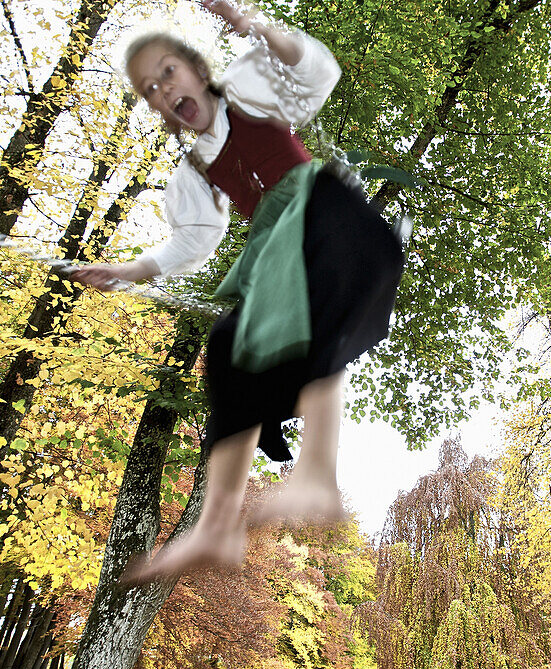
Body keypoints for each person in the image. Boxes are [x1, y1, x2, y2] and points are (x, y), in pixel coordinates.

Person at [71, 0, 403, 584]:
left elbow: (319, 72)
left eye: (169, 71)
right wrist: (123, 270)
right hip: (283, 254)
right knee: (227, 346)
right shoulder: (194, 169)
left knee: (305, 285)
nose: (164, 89)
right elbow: (187, 246)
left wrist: (256, 25)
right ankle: (217, 524)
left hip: (336, 224)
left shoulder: (250, 88)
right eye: (151, 88)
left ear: (199, 70)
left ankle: (317, 472)